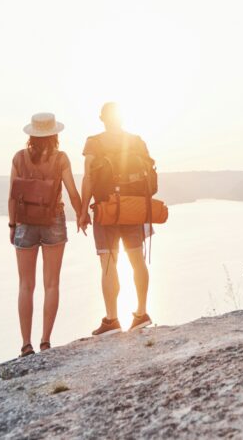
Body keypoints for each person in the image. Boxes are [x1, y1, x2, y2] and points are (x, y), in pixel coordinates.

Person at [8, 112, 82, 357]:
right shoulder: (60, 159)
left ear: (31, 134)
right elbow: (71, 192)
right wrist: (82, 214)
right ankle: (45, 342)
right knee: (52, 284)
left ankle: (26, 345)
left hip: (25, 223)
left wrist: (12, 225)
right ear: (55, 134)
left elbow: (11, 195)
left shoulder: (19, 158)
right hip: (53, 221)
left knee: (25, 285)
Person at [78, 102, 154, 335]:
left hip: (106, 209)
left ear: (102, 118)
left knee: (108, 263)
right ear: (122, 119)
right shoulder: (136, 141)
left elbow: (88, 178)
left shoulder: (94, 142)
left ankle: (112, 319)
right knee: (137, 260)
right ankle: (142, 313)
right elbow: (150, 176)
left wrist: (82, 211)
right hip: (134, 207)